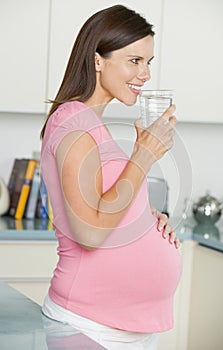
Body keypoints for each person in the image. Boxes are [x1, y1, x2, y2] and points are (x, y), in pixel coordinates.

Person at [40, 4, 182, 349]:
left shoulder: (89, 123)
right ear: (97, 59)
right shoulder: (73, 123)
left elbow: (104, 204)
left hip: (118, 328)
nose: (145, 74)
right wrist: (143, 156)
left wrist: (145, 218)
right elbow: (89, 232)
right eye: (134, 61)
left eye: (149, 62)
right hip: (91, 326)